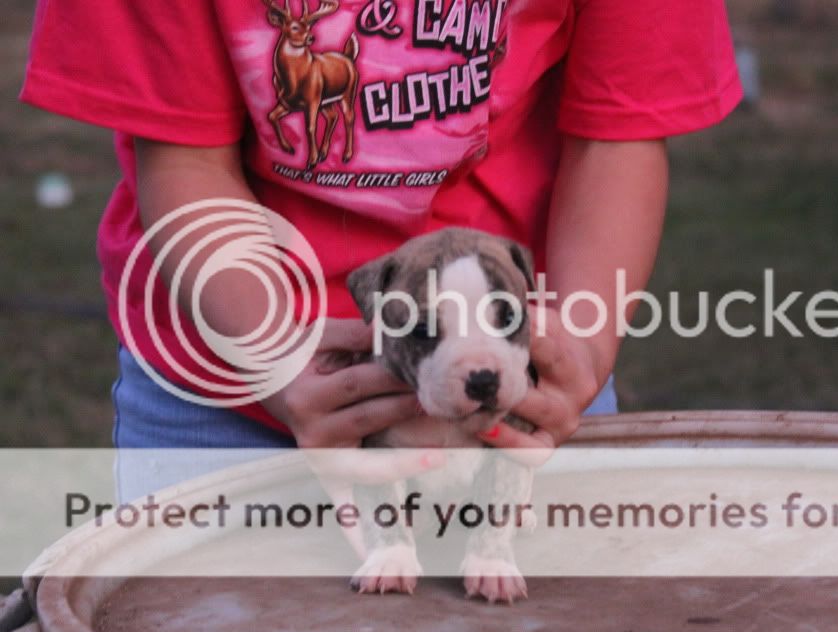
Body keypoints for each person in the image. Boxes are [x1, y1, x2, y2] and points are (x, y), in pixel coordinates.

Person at [21, 0, 742, 500]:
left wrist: (579, 344)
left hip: (513, 387)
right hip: (226, 392)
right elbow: (187, 161)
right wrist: (267, 355)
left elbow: (615, 137)